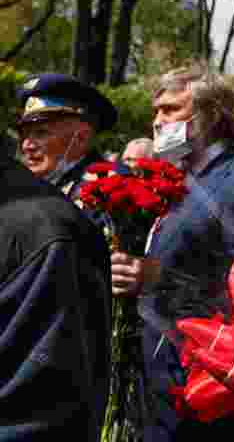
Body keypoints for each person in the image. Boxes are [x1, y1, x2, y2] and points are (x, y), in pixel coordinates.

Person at [117, 65, 234, 442]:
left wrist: (158, 278)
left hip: (211, 394)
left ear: (209, 115)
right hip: (164, 390)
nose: (157, 121)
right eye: (156, 110)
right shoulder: (182, 185)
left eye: (171, 109)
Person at [0, 135, 112, 439]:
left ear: (82, 133)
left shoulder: (45, 230)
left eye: (45, 130)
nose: (29, 143)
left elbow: (36, 415)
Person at [15, 73, 123, 226]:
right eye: (24, 135)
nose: (27, 145)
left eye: (41, 133)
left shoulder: (109, 186)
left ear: (81, 137)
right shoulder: (24, 189)